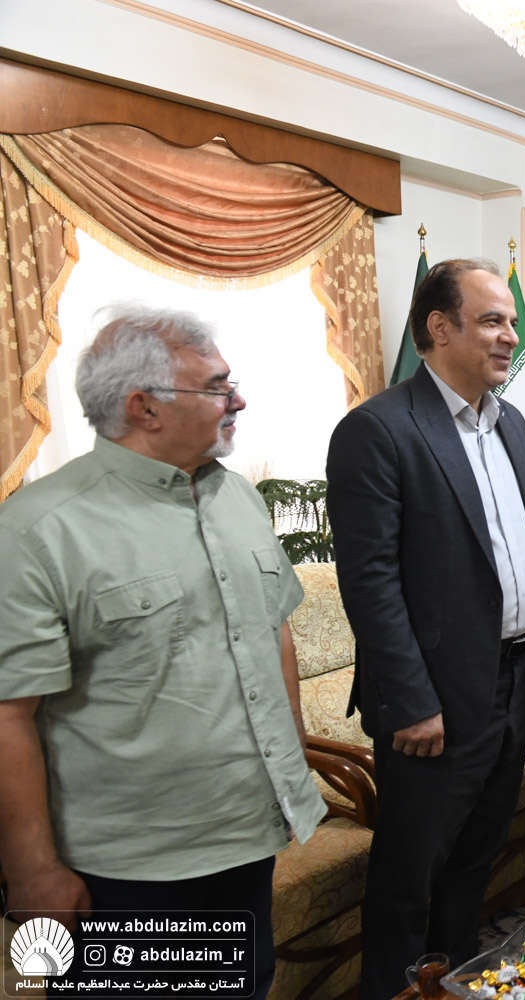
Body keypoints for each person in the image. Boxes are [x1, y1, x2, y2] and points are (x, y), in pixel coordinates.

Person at [0, 304, 324, 1000]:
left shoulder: (238, 498)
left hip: (246, 836)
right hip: (130, 868)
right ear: (143, 407)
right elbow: (7, 714)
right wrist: (32, 871)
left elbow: (273, 628)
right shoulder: (38, 529)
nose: (237, 401)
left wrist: (292, 756)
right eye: (215, 387)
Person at [325, 258, 525, 1000]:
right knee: (411, 874)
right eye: (493, 320)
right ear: (439, 327)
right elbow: (370, 582)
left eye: (511, 322)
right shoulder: (377, 430)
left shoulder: (511, 420)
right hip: (431, 698)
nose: (510, 336)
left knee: (474, 859)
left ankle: (456, 979)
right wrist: (410, 702)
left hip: (512, 679)